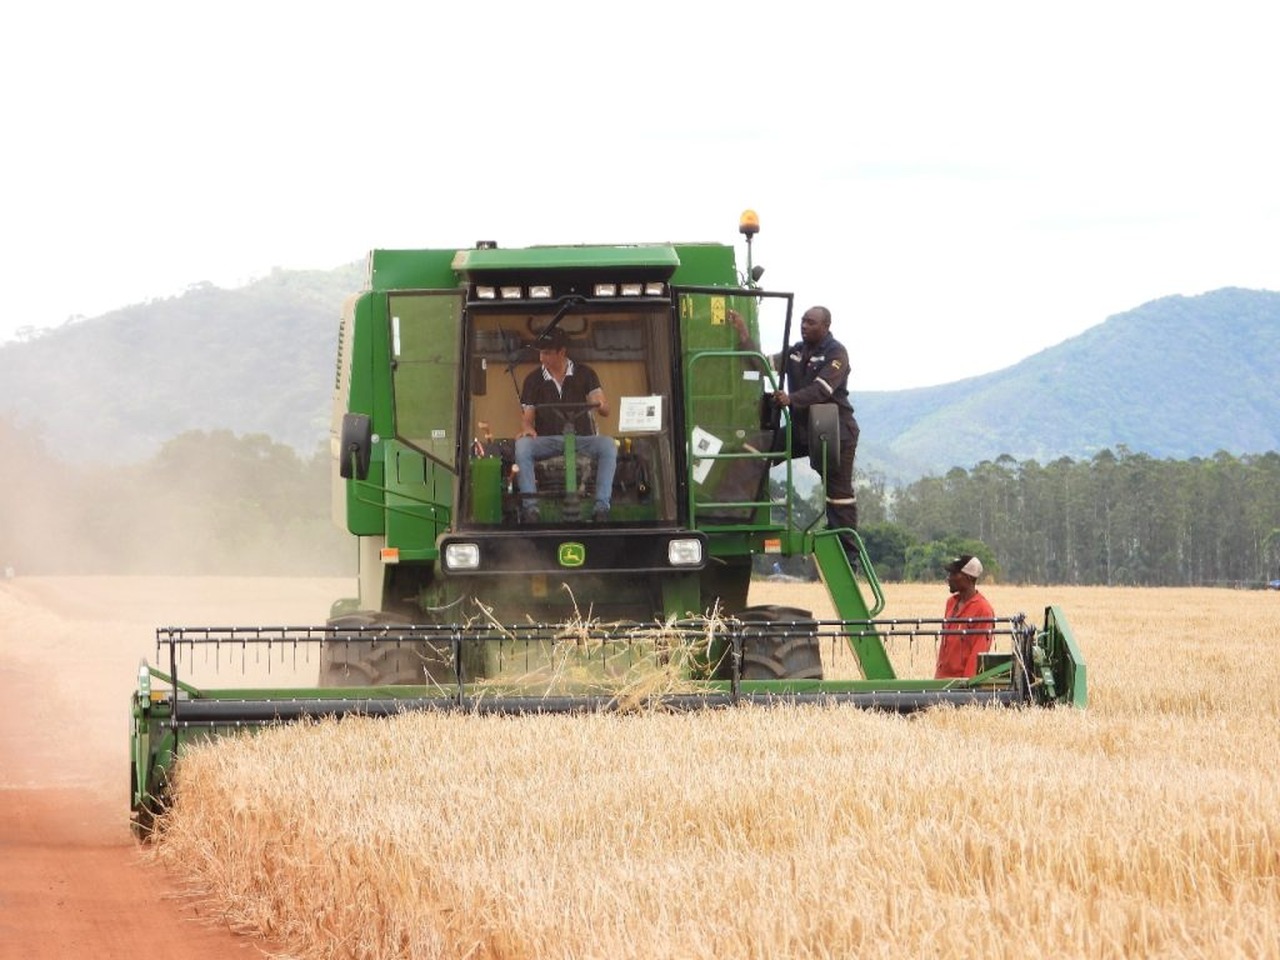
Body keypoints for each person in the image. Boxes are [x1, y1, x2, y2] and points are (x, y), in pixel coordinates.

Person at [729, 305, 861, 551]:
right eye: (803, 321)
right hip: (801, 430)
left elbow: (823, 390)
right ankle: (731, 511)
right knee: (755, 448)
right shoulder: (796, 352)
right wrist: (744, 335)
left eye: (811, 322)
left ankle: (847, 551)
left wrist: (791, 399)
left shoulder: (836, 353)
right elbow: (763, 364)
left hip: (834, 431)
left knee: (838, 493)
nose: (804, 326)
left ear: (826, 326)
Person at [514, 327, 617, 523]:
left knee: (608, 445)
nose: (542, 358)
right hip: (548, 440)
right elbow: (527, 417)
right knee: (522, 446)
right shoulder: (532, 380)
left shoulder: (585, 373)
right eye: (540, 353)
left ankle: (601, 506)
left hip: (582, 439)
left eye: (547, 353)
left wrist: (601, 404)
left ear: (562, 352)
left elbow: (603, 406)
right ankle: (531, 509)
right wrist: (527, 429)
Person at [935, 554, 996, 679]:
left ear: (968, 577)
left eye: (953, 574)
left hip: (961, 683)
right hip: (942, 680)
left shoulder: (983, 610)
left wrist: (967, 688)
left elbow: (978, 653)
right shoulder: (951, 603)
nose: (949, 578)